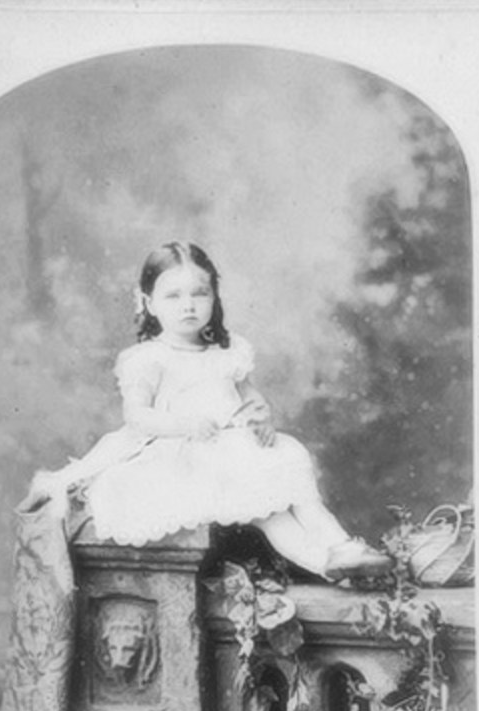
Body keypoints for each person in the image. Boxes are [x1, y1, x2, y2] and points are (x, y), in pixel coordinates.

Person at [21, 241, 390, 580]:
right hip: (182, 457)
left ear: (214, 297)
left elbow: (250, 398)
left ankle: (340, 548)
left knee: (292, 473)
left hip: (231, 450)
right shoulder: (149, 359)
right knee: (271, 513)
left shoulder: (227, 352)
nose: (188, 305)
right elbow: (137, 416)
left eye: (200, 293)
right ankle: (327, 564)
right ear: (149, 303)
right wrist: (183, 424)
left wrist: (261, 417)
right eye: (173, 296)